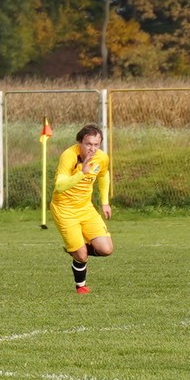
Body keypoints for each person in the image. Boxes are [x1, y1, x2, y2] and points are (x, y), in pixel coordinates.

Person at [50, 124, 113, 294]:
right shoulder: (68, 156)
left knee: (106, 249)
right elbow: (59, 186)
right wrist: (81, 173)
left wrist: (105, 202)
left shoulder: (101, 158)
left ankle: (78, 248)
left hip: (86, 208)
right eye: (88, 144)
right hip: (64, 209)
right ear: (80, 142)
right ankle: (81, 287)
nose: (92, 149)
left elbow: (104, 175)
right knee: (82, 255)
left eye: (96, 144)